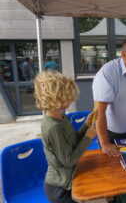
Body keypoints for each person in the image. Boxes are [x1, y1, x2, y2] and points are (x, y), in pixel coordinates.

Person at [34, 71, 97, 203]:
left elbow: (72, 142)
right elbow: (68, 160)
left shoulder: (61, 117)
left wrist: (86, 125)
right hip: (59, 188)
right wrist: (88, 138)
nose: (72, 97)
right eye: (68, 95)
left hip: (66, 181)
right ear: (57, 97)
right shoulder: (54, 127)